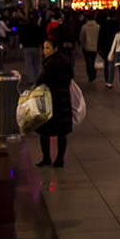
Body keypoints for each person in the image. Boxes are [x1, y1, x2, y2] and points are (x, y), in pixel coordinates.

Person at [34, 36, 73, 168]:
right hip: (63, 100)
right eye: (44, 48)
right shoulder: (65, 60)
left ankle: (46, 158)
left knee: (44, 131)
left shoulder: (50, 63)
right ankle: (60, 158)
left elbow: (41, 80)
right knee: (62, 132)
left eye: (47, 48)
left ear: (55, 49)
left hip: (51, 100)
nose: (44, 51)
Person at [78, 12, 100, 84]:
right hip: (95, 46)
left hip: (86, 47)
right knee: (94, 61)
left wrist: (81, 44)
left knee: (88, 63)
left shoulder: (84, 27)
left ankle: (90, 76)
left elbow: (81, 37)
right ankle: (94, 75)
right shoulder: (98, 27)